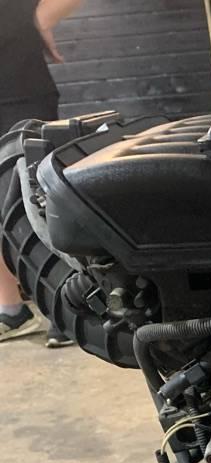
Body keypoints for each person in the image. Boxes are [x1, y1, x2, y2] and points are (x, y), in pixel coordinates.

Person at [0, 0, 83, 345]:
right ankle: (11, 309)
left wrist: (38, 17)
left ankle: (63, 303)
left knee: (36, 196)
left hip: (17, 85)